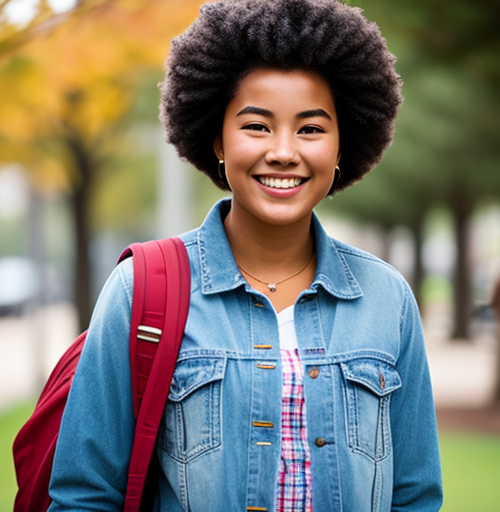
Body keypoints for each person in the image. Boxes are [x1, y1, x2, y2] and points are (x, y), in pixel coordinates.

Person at [48, 0, 443, 510]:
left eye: (311, 128)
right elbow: (85, 495)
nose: (283, 151)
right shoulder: (138, 291)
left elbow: (414, 495)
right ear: (217, 138)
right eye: (256, 126)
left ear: (343, 145)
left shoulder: (387, 299)